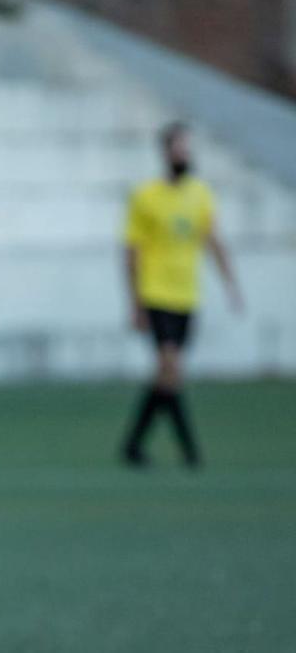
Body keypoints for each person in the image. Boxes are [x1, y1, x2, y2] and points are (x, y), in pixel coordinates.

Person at [121, 121, 243, 469]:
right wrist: (135, 303)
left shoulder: (200, 195)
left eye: (187, 149)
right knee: (170, 366)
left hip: (187, 297)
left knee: (169, 375)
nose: (184, 155)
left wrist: (231, 284)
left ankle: (132, 445)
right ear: (166, 152)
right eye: (178, 148)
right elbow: (131, 251)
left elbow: (213, 241)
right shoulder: (146, 196)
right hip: (156, 294)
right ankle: (191, 450)